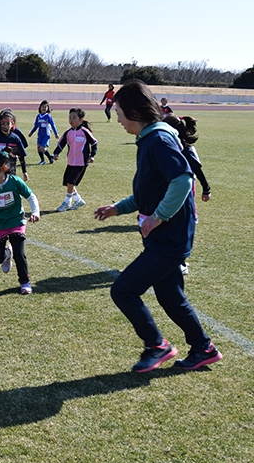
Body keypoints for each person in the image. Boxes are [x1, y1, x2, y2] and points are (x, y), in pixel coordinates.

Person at [94, 79, 222, 372]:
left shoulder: (158, 140)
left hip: (169, 237)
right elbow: (149, 190)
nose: (118, 121)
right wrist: (119, 208)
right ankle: (204, 348)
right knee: (171, 297)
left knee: (123, 291)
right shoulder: (150, 138)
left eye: (120, 114)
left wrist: (158, 217)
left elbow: (182, 179)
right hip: (165, 236)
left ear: (136, 113)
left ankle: (157, 345)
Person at [0, 149, 40, 294]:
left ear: (3, 169)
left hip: (16, 222)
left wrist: (35, 212)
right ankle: (6, 253)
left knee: (20, 253)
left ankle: (25, 282)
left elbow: (31, 196)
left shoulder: (15, 182)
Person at [163, 114, 211, 275]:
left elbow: (197, 170)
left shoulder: (186, 149)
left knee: (180, 226)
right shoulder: (166, 147)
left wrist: (206, 189)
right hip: (168, 189)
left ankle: (180, 262)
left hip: (184, 191)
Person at [53, 108, 97, 211]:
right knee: (68, 182)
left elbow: (94, 143)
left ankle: (67, 202)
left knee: (71, 181)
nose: (71, 120)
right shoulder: (68, 132)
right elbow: (61, 144)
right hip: (71, 162)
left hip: (81, 163)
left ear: (81, 119)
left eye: (74, 118)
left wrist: (92, 155)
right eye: (70, 118)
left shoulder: (85, 132)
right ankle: (78, 200)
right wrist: (56, 153)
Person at [0, 109, 29, 181]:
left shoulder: (15, 138)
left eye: (8, 123)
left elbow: (21, 155)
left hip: (11, 169)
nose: (5, 126)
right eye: (3, 123)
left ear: (12, 123)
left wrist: (24, 171)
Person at [28, 100, 59, 164]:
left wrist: (56, 133)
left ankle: (49, 157)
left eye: (46, 107)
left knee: (42, 148)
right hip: (40, 134)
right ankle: (43, 160)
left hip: (46, 134)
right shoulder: (38, 116)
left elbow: (53, 125)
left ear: (47, 108)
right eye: (43, 106)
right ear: (40, 107)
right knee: (39, 148)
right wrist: (31, 132)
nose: (44, 108)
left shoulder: (48, 116)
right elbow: (36, 126)